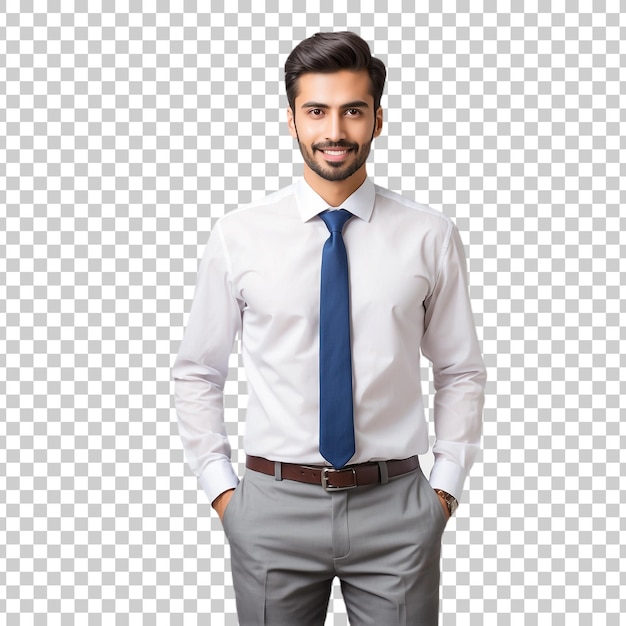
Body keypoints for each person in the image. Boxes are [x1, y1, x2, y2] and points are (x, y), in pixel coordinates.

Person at [173, 31, 486, 625]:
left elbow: (459, 368)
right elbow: (198, 370)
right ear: (291, 120)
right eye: (316, 111)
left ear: (378, 119)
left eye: (352, 111)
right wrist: (223, 492)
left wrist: (443, 490)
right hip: (270, 507)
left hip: (397, 507)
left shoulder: (429, 234)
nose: (334, 130)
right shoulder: (238, 235)